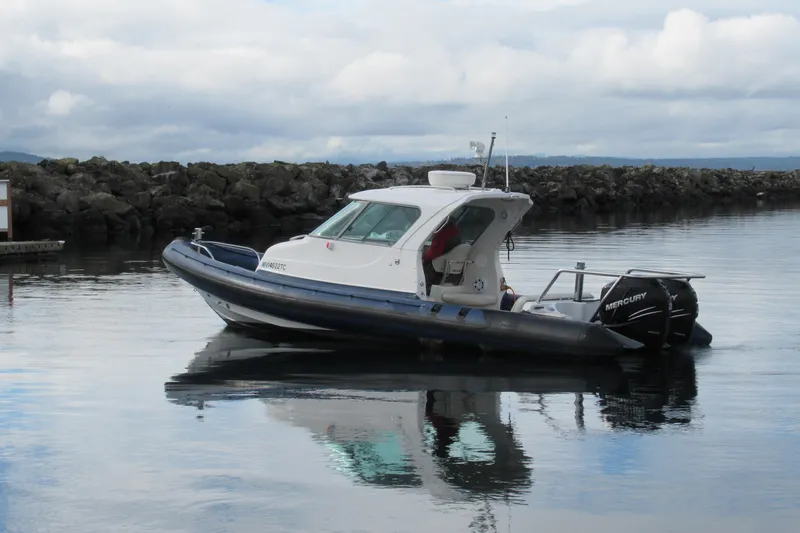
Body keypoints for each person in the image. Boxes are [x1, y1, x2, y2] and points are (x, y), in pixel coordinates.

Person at [422, 219, 461, 293]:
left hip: (438, 267)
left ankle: (426, 290)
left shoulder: (443, 234)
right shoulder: (456, 233)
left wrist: (424, 258)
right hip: (450, 267)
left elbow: (434, 252)